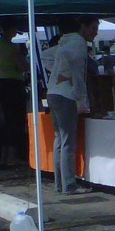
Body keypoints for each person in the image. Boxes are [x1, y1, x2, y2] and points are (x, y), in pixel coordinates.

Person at [46, 15, 99, 194]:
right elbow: (78, 74)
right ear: (82, 26)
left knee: (59, 140)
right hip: (65, 95)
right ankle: (69, 184)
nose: (95, 33)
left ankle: (60, 184)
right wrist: (81, 96)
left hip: (53, 92)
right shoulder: (78, 43)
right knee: (68, 141)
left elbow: (46, 56)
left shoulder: (64, 42)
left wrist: (58, 73)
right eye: (93, 28)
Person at [0, 22, 29, 166]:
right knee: (17, 121)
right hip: (14, 84)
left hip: (1, 83)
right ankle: (13, 157)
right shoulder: (12, 46)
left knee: (7, 120)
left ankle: (4, 157)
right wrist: (25, 64)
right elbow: (21, 66)